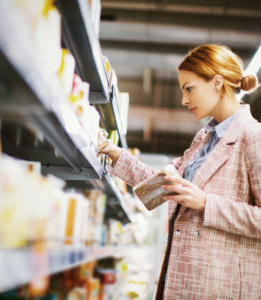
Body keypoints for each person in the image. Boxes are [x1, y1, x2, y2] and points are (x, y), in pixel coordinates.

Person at [98, 44, 261, 299]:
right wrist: (116, 153)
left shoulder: (253, 136)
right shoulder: (204, 139)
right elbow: (163, 186)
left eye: (189, 89)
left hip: (220, 287)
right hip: (181, 281)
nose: (184, 99)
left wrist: (207, 204)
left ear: (217, 83)